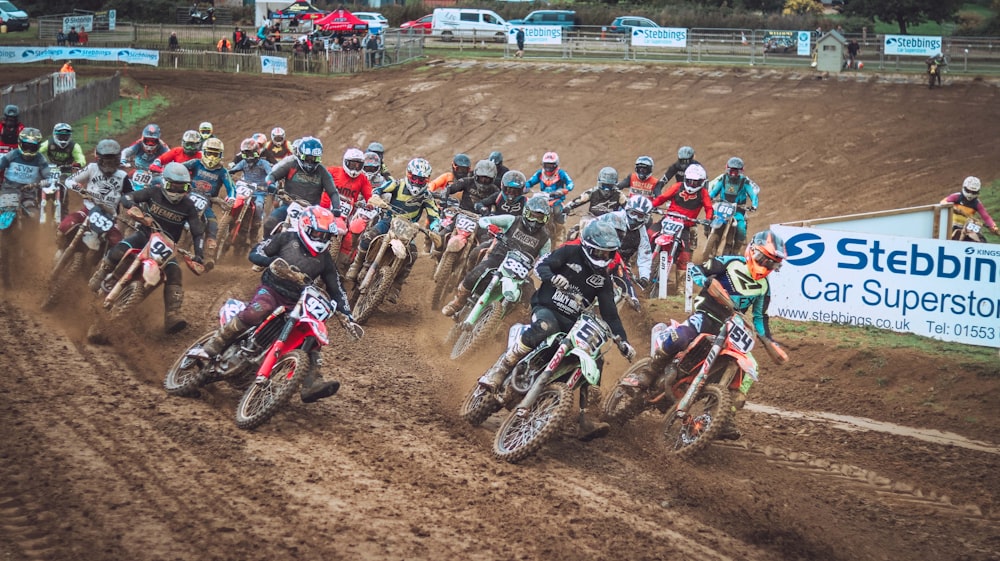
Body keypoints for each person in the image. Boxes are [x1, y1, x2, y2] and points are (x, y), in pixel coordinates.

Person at [479, 219, 635, 441]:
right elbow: (542, 266)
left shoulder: (603, 279)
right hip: (547, 307)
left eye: (608, 254)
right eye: (600, 253)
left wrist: (624, 342)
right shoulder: (570, 252)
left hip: (573, 321)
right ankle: (502, 368)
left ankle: (583, 416)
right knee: (545, 327)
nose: (604, 258)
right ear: (589, 246)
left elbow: (610, 314)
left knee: (595, 357)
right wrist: (553, 278)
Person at [190, 205, 360, 403]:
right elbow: (257, 251)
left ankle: (312, 382)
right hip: (271, 290)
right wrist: (269, 261)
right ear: (305, 227)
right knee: (257, 311)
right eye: (316, 234)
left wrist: (347, 314)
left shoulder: (325, 260)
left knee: (311, 334)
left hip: (296, 302)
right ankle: (213, 346)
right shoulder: (286, 238)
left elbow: (336, 287)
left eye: (325, 237)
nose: (321, 240)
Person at [635, 229, 787, 439]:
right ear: (753, 251)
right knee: (683, 336)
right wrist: (707, 282)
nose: (766, 266)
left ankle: (722, 416)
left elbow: (760, 318)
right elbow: (696, 270)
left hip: (731, 328)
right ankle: (650, 371)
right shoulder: (730, 263)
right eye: (764, 259)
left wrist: (770, 343)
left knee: (749, 370)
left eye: (772, 264)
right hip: (706, 315)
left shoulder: (763, 287)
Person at [89, 162, 205, 336]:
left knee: (175, 273)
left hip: (166, 246)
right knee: (119, 249)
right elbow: (127, 198)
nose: (176, 191)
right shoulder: (153, 192)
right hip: (144, 235)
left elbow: (197, 231)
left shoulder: (188, 205)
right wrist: (135, 209)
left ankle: (172, 315)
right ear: (164, 182)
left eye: (182, 187)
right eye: (172, 186)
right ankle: (100, 274)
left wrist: (200, 254)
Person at [346, 157, 441, 304]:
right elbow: (379, 189)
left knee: (412, 255)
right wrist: (376, 198)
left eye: (421, 180)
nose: (417, 182)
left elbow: (434, 215)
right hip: (389, 220)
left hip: (409, 229)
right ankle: (357, 264)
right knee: (368, 237)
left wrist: (434, 229)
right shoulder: (397, 184)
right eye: (414, 178)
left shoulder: (427, 196)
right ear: (409, 175)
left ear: (426, 180)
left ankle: (396, 286)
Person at [441, 195, 552, 317]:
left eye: (540, 219)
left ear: (546, 219)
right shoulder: (512, 220)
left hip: (520, 272)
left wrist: (546, 269)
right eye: (532, 216)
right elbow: (484, 220)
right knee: (476, 273)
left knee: (530, 297)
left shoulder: (545, 239)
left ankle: (506, 324)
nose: (535, 221)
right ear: (526, 212)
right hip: (499, 258)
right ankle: (457, 302)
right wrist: (490, 226)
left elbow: (545, 259)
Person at [56, 139, 132, 263]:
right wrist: (81, 190)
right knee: (64, 226)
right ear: (99, 159)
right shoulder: (92, 168)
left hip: (109, 218)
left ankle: (103, 274)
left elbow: (131, 195)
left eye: (112, 161)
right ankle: (60, 249)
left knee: (119, 248)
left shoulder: (122, 176)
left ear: (117, 160)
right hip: (88, 210)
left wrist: (131, 203)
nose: (108, 164)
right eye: (105, 160)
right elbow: (69, 180)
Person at [651, 164, 714, 289]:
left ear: (701, 183)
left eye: (695, 183)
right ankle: (642, 260)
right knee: (648, 233)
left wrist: (708, 219)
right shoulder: (678, 186)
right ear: (685, 179)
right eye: (689, 181)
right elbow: (663, 197)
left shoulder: (703, 193)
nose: (691, 185)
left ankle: (681, 288)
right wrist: (651, 205)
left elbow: (709, 207)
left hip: (685, 226)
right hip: (668, 219)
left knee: (684, 257)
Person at [262, 136, 340, 236]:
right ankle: (264, 249)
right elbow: (272, 175)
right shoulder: (291, 165)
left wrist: (336, 208)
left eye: (314, 159)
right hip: (288, 206)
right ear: (299, 155)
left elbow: (333, 192)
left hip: (311, 212)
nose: (310, 162)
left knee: (324, 235)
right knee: (269, 224)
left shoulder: (322, 172)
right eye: (306, 158)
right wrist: (271, 184)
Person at [184, 138, 235, 267]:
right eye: (209, 153)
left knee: (212, 223)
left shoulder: (223, 172)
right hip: (189, 195)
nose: (212, 157)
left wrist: (231, 198)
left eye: (215, 154)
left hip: (207, 201)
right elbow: (180, 168)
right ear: (204, 152)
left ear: (220, 155)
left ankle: (209, 256)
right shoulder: (195, 163)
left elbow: (232, 188)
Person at [322, 148, 373, 265]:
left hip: (346, 215)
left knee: (350, 238)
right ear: (345, 162)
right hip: (324, 209)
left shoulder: (362, 179)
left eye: (358, 165)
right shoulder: (333, 171)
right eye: (352, 164)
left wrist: (371, 203)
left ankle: (340, 268)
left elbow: (369, 193)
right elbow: (319, 178)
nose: (355, 168)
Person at [0, 128, 54, 227]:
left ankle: (30, 238)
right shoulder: (13, 154)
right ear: (20, 143)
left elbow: (48, 175)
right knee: (6, 210)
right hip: (9, 189)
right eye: (26, 146)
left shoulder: (40, 159)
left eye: (32, 147)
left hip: (29, 193)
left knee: (34, 217)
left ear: (38, 146)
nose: (29, 150)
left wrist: (47, 181)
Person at [705, 156, 759, 250]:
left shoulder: (744, 182)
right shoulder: (723, 179)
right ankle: (708, 234)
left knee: (741, 228)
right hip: (722, 207)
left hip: (737, 211)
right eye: (731, 171)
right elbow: (714, 192)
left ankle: (736, 250)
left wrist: (754, 205)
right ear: (727, 169)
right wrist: (709, 197)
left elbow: (753, 195)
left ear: (741, 171)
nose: (733, 174)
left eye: (736, 172)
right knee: (709, 217)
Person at [525, 151, 574, 245]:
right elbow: (530, 181)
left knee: (557, 211)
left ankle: (560, 235)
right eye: (547, 165)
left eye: (551, 165)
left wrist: (565, 190)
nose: (549, 167)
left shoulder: (561, 173)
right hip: (543, 198)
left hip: (556, 199)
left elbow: (570, 183)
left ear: (556, 165)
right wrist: (525, 187)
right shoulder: (540, 173)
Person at [563, 166, 627, 235]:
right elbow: (580, 199)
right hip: (592, 219)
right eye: (604, 186)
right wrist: (568, 206)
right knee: (573, 232)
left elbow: (629, 207)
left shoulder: (619, 195)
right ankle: (582, 242)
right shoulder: (593, 192)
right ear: (599, 183)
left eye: (609, 186)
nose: (606, 190)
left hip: (611, 223)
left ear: (615, 185)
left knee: (623, 234)